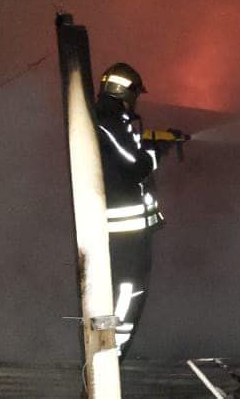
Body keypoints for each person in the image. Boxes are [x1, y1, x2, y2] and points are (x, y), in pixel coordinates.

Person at [94, 62, 164, 358]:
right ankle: (111, 352)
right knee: (126, 291)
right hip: (124, 232)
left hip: (132, 229)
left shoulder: (115, 119)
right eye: (136, 93)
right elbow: (133, 165)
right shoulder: (108, 120)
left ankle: (111, 349)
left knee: (129, 291)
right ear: (126, 91)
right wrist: (156, 153)